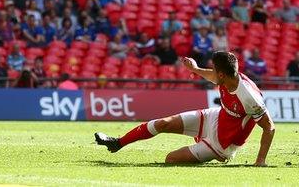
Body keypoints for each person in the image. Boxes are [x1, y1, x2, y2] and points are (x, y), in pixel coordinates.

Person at [96, 52, 275, 166]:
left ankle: (215, 155)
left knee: (170, 159)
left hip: (221, 144)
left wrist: (260, 161)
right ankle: (117, 143)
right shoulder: (225, 77)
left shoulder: (249, 97)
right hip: (215, 118)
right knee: (162, 124)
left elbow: (269, 127)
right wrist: (195, 69)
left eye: (214, 69)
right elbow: (212, 75)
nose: (212, 72)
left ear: (222, 73)